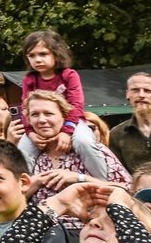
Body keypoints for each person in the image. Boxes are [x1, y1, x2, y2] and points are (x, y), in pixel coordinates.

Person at [24, 91, 130, 230]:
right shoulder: (32, 157)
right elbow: (11, 201)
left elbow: (127, 191)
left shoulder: (93, 151)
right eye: (35, 114)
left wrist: (79, 178)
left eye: (48, 114)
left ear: (64, 116)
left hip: (90, 231)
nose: (42, 120)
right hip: (44, 233)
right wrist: (35, 183)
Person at [16, 30, 109, 179]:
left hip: (72, 122)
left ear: (56, 54)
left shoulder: (68, 75)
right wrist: (30, 132)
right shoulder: (30, 79)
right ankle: (24, 191)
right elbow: (26, 109)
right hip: (39, 125)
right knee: (22, 151)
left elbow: (76, 105)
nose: (37, 60)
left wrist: (66, 132)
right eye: (32, 55)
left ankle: (104, 182)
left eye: (43, 54)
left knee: (84, 142)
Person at [111, 72, 151, 173]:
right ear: (128, 94)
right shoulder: (116, 134)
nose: (141, 95)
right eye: (135, 90)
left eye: (147, 91)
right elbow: (118, 173)